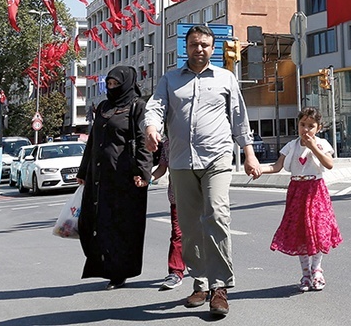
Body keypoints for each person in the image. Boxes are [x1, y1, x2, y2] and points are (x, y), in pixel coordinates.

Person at [144, 24, 261, 318]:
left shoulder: (226, 78)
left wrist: (249, 155)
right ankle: (200, 282)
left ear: (213, 48)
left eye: (205, 45)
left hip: (217, 158)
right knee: (189, 225)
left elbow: (239, 119)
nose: (200, 49)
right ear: (186, 47)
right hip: (182, 161)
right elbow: (156, 107)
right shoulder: (170, 80)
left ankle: (220, 287)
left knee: (217, 215)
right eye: (194, 44)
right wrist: (151, 128)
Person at [77, 66, 152, 290]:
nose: (111, 88)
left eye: (115, 84)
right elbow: (92, 142)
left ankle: (119, 272)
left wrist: (142, 171)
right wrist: (83, 171)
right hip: (99, 176)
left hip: (125, 178)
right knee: (94, 222)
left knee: (122, 226)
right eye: (108, 84)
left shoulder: (138, 107)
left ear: (127, 83)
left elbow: (143, 142)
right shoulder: (103, 107)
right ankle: (104, 266)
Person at [260, 107, 342, 292]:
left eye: (311, 126)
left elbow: (329, 164)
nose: (306, 129)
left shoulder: (322, 144)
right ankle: (305, 274)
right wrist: (259, 169)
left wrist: (313, 147)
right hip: (297, 190)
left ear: (318, 128)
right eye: (302, 124)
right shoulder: (291, 145)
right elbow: (277, 166)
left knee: (318, 229)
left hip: (315, 189)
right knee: (301, 232)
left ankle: (317, 270)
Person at [150, 138, 185, 291]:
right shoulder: (168, 143)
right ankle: (175, 272)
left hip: (199, 197)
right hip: (176, 197)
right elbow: (162, 168)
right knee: (177, 234)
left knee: (202, 234)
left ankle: (207, 273)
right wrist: (149, 178)